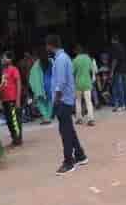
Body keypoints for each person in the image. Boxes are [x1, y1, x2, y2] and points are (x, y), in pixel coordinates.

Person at [46, 34, 88, 175]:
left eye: (47, 46)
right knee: (68, 129)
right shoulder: (61, 58)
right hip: (65, 99)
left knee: (65, 131)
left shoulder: (61, 59)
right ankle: (80, 155)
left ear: (50, 45)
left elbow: (61, 82)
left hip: (63, 100)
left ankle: (68, 162)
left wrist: (56, 101)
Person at [0, 51, 23, 147]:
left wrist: (18, 100)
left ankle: (18, 138)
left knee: (14, 120)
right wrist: (0, 99)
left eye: (4, 58)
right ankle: (14, 137)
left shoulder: (14, 69)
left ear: (10, 59)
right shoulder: (3, 71)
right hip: (5, 99)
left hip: (12, 99)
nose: (2, 60)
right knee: (9, 120)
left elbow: (18, 84)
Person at [73, 44, 95, 127]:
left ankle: (79, 119)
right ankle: (91, 119)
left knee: (78, 101)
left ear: (76, 51)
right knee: (88, 101)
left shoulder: (75, 60)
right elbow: (91, 70)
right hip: (87, 83)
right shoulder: (88, 58)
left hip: (78, 83)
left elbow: (72, 72)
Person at [29, 50, 53, 125]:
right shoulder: (51, 62)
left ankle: (46, 118)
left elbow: (32, 77)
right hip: (50, 84)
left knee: (41, 101)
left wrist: (34, 87)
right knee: (49, 101)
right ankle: (48, 117)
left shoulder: (37, 64)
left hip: (40, 84)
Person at [109, 35, 126, 112]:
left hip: (118, 70)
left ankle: (121, 105)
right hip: (124, 69)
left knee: (119, 88)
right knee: (125, 87)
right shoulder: (123, 47)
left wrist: (112, 71)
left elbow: (115, 60)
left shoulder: (114, 47)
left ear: (113, 40)